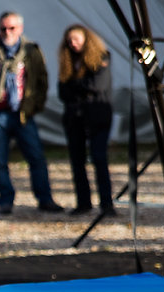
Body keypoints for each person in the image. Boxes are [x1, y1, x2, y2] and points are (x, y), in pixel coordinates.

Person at [0, 11, 62, 215]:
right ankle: (5, 200)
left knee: (36, 157)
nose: (7, 32)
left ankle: (45, 199)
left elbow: (41, 81)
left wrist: (34, 105)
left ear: (20, 29)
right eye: (3, 28)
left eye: (12, 28)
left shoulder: (31, 51)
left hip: (22, 113)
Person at [58, 24, 115, 217]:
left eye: (76, 39)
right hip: (75, 118)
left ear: (86, 39)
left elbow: (97, 85)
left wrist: (75, 85)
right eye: (69, 41)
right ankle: (83, 202)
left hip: (97, 116)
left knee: (99, 158)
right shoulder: (67, 62)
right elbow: (62, 92)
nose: (73, 44)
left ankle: (106, 204)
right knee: (77, 161)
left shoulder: (101, 57)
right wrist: (82, 87)